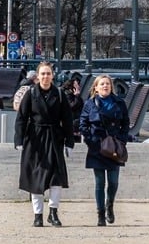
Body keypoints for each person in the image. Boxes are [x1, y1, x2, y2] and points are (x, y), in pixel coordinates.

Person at [13, 61, 75, 227]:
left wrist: (69, 142)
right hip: (35, 139)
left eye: (48, 73)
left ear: (52, 76)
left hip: (55, 138)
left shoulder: (60, 94)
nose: (46, 77)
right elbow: (21, 118)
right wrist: (19, 139)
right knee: (36, 177)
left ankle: (53, 212)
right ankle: (38, 214)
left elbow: (67, 120)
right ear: (37, 76)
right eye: (43, 74)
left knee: (56, 178)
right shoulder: (30, 94)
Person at [79, 75, 130, 227]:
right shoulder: (90, 104)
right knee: (99, 182)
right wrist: (90, 141)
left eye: (107, 84)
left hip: (114, 146)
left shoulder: (119, 103)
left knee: (113, 181)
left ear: (111, 87)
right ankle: (100, 214)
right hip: (97, 147)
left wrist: (121, 140)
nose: (105, 86)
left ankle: (110, 205)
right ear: (96, 87)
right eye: (102, 84)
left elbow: (126, 123)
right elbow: (83, 123)